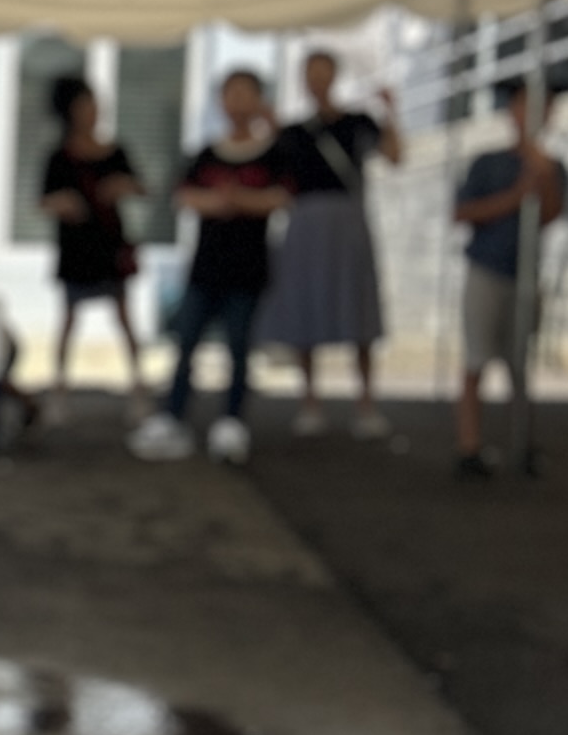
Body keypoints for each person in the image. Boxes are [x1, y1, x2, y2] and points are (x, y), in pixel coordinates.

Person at [129, 70, 288, 465]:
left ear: (259, 100)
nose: (237, 102)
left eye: (245, 93)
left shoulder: (274, 152)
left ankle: (232, 422)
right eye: (230, 93)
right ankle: (172, 416)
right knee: (186, 343)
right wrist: (219, 202)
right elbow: (183, 196)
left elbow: (281, 197)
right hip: (205, 266)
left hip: (248, 267)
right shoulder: (206, 153)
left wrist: (240, 200)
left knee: (239, 347)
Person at [259, 47, 401, 435]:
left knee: (358, 306)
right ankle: (310, 402)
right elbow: (274, 177)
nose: (317, 80)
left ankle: (366, 403)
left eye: (323, 72)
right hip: (305, 222)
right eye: (311, 73)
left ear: (334, 76)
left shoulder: (358, 123)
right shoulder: (291, 133)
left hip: (347, 221)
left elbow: (394, 156)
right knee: (304, 307)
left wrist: (391, 113)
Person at [451, 82, 567, 476]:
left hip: (526, 274)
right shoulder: (487, 163)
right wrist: (515, 196)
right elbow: (462, 213)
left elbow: (551, 215)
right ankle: (469, 445)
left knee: (520, 361)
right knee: (476, 357)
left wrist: (542, 177)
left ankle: (521, 441)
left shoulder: (554, 167)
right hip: (486, 269)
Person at [36, 72, 145, 415]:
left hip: (110, 245)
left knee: (124, 317)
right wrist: (63, 203)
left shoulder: (114, 151)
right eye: (86, 106)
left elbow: (140, 186)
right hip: (75, 247)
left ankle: (138, 387)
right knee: (69, 318)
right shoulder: (60, 156)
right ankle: (59, 388)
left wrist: (121, 186)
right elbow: (43, 200)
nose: (93, 112)